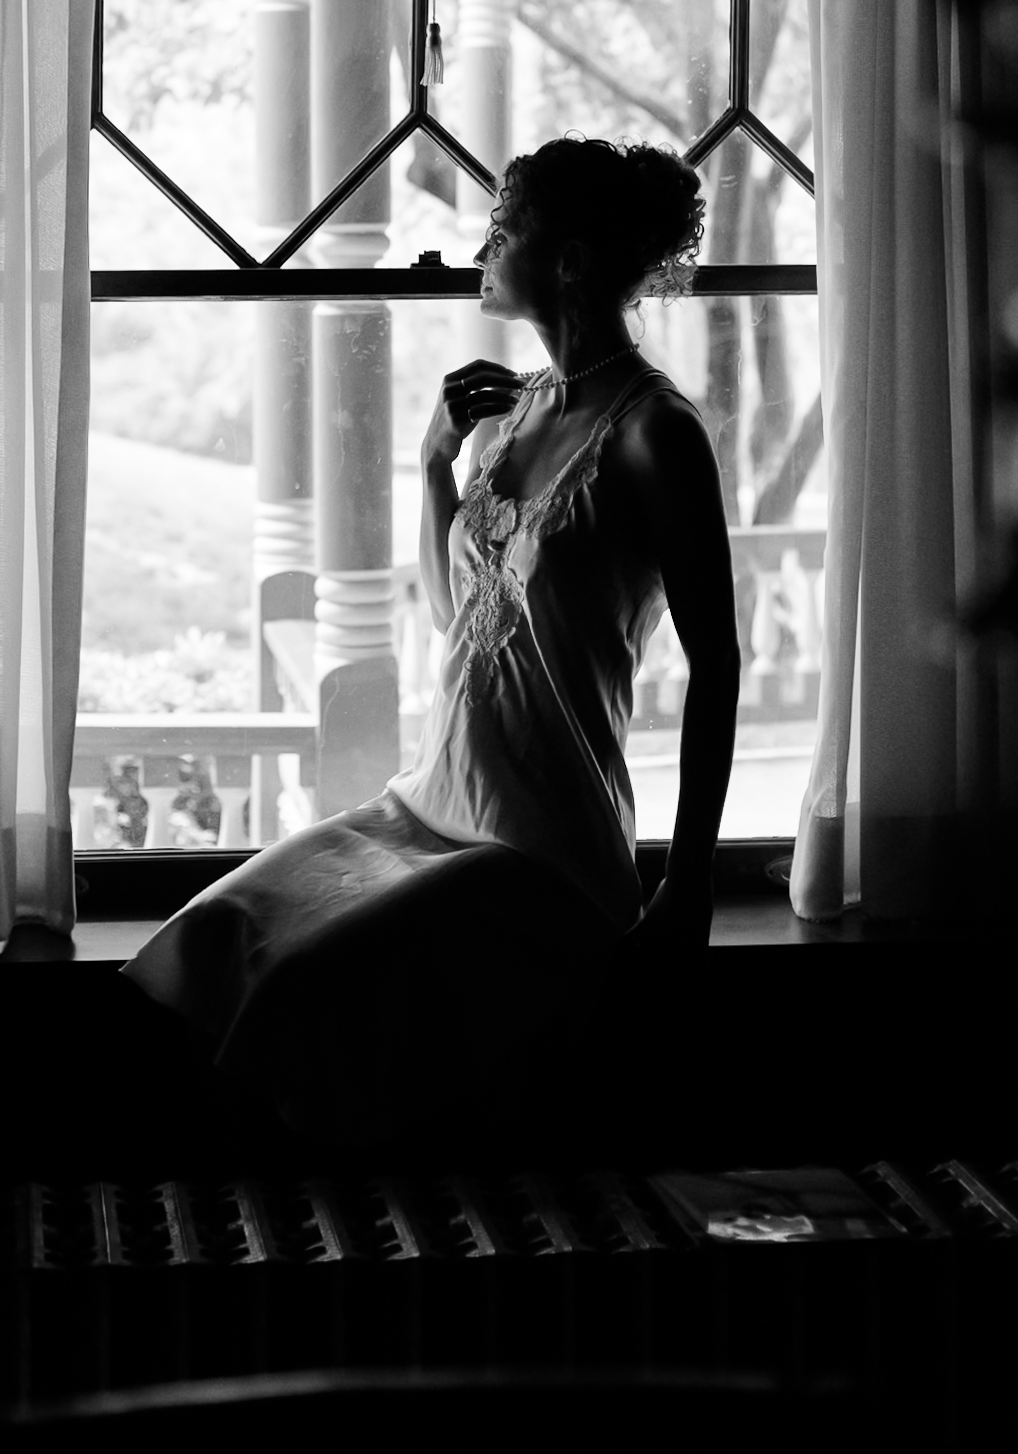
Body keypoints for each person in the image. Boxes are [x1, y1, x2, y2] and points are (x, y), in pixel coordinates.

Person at [121, 136, 740, 1160]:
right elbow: (452, 617)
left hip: (542, 842)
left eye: (507, 227)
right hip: (430, 799)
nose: (482, 246)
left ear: (571, 259)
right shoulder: (512, 412)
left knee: (302, 991)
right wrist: (431, 466)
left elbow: (718, 663)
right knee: (214, 934)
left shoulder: (654, 432)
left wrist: (693, 881)